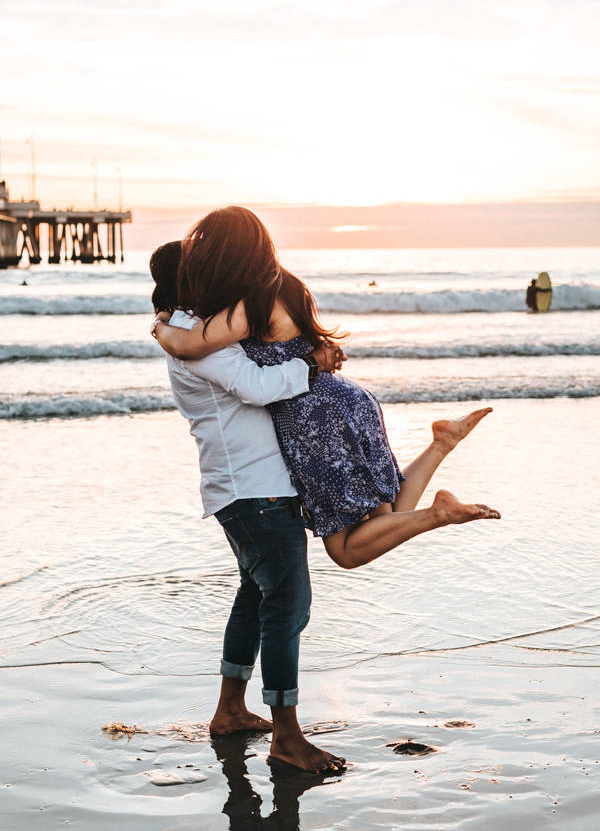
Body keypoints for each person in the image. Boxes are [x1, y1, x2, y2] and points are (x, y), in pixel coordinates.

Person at [153, 206, 500, 573]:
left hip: (314, 418)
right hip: (347, 400)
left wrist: (160, 325)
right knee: (390, 513)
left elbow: (188, 346)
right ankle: (441, 444)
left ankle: (437, 514)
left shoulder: (249, 303)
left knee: (346, 550)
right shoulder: (288, 286)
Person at [150, 241, 347, 775]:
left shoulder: (191, 331)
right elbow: (256, 387)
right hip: (253, 488)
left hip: (242, 487)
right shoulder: (200, 339)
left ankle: (231, 709)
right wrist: (311, 363)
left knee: (254, 596)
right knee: (287, 604)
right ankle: (287, 736)